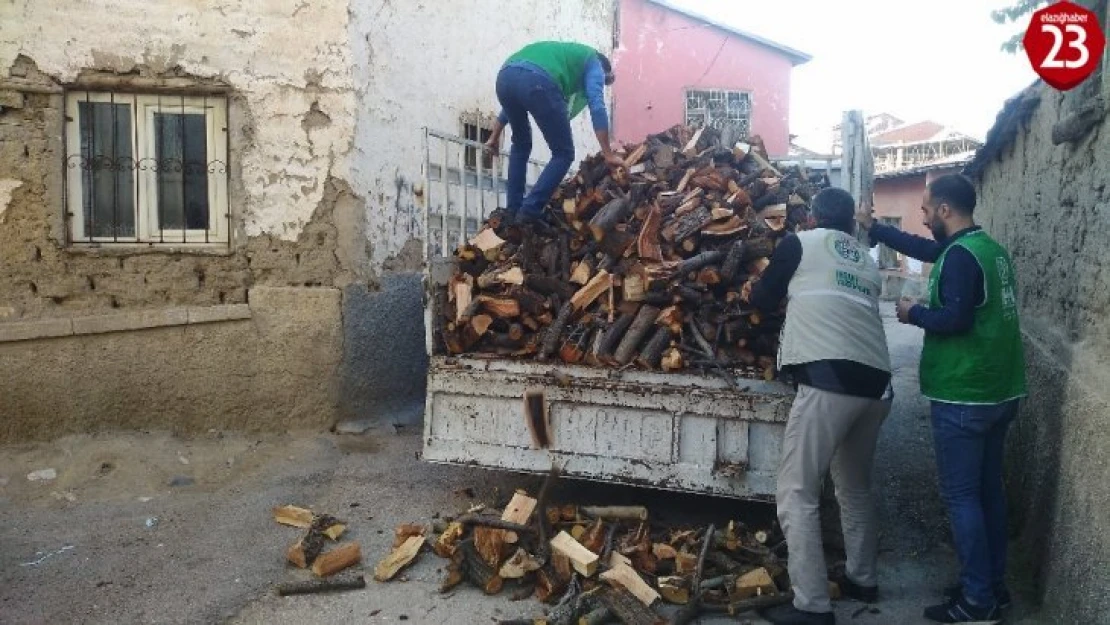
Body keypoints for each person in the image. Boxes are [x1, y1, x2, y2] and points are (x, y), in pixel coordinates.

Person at [856, 173, 1027, 624]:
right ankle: (992, 587)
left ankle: (976, 602)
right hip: (999, 392)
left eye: (928, 208)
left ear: (946, 211)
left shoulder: (961, 258)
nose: (924, 214)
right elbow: (926, 249)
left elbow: (954, 319)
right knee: (988, 493)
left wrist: (913, 313)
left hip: (965, 394)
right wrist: (876, 228)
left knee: (962, 497)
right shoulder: (985, 250)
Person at [744, 187, 894, 625]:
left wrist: (753, 292)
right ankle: (862, 578)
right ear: (849, 222)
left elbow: (763, 299)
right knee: (854, 486)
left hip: (830, 382)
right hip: (878, 387)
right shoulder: (864, 260)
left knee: (796, 491)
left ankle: (811, 605)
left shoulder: (799, 243)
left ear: (811, 218)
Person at [483, 41, 624, 227]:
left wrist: (493, 137)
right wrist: (607, 153)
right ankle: (529, 211)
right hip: (540, 83)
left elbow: (516, 92)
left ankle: (512, 210)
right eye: (604, 81)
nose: (601, 82)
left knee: (521, 145)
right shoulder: (594, 62)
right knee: (563, 153)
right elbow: (596, 103)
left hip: (505, 78)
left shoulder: (563, 55)